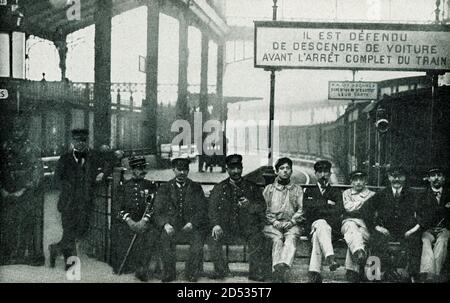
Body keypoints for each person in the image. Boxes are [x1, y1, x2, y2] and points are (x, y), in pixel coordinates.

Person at [49, 129, 112, 270]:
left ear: (86, 141)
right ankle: (70, 264)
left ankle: (55, 248)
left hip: (85, 202)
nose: (80, 144)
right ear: (72, 141)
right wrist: (67, 186)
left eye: (83, 140)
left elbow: (111, 161)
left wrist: (103, 173)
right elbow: (55, 180)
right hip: (68, 202)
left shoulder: (93, 156)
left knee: (81, 231)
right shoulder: (64, 159)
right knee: (69, 231)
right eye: (77, 140)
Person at [208, 154, 271, 281]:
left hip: (247, 227)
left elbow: (262, 206)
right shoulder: (220, 188)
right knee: (213, 238)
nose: (235, 172)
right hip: (226, 227)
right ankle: (221, 270)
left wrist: (249, 205)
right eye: (232, 168)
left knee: (258, 237)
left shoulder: (251, 187)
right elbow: (212, 209)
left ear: (242, 169)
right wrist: (216, 224)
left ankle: (255, 272)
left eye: (238, 168)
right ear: (227, 169)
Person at [153, 157, 208, 282]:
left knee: (198, 240)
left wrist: (192, 223)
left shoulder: (195, 187)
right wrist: (165, 224)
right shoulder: (164, 188)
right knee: (164, 240)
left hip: (190, 227)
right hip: (171, 227)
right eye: (179, 170)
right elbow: (158, 210)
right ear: (173, 170)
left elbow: (202, 209)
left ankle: (191, 272)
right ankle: (169, 272)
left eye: (185, 170)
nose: (182, 173)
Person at [0, 114, 45, 266]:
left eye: (19, 130)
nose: (16, 133)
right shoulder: (4, 148)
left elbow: (37, 172)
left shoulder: (32, 148)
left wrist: (25, 188)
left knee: (27, 224)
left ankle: (27, 255)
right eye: (14, 130)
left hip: (26, 193)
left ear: (24, 130)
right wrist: (2, 189)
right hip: (7, 192)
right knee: (7, 224)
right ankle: (8, 255)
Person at [365, 166, 422, 282]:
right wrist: (377, 227)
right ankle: (374, 275)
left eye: (400, 176)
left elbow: (424, 214)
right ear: (389, 177)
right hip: (385, 231)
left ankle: (412, 275)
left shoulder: (412, 195)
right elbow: (365, 210)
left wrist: (413, 229)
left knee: (416, 241)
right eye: (393, 176)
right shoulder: (382, 194)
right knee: (375, 240)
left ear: (404, 178)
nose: (396, 179)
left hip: (406, 231)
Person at [114, 156, 159, 281]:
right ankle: (128, 266)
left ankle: (143, 268)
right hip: (128, 222)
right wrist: (129, 221)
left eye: (142, 168)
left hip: (145, 222)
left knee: (150, 235)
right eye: (138, 168)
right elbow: (118, 208)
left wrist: (145, 220)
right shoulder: (124, 186)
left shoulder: (151, 186)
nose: (141, 171)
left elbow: (153, 206)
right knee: (122, 234)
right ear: (132, 170)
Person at [263, 157, 304, 282]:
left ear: (291, 171)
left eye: (288, 168)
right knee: (277, 239)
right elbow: (264, 209)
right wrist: (274, 221)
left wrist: (292, 221)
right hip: (272, 224)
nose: (285, 171)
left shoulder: (297, 189)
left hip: (291, 224)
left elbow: (301, 209)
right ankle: (277, 271)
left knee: (291, 238)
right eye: (281, 168)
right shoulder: (269, 189)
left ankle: (281, 267)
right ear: (276, 172)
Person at [304, 160, 343, 283]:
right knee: (320, 224)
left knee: (318, 234)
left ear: (330, 174)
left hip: (330, 229)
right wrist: (326, 203)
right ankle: (331, 258)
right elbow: (307, 209)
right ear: (315, 174)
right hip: (313, 225)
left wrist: (317, 208)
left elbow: (338, 211)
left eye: (326, 172)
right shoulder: (309, 190)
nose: (323, 175)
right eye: (320, 172)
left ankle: (314, 273)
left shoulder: (336, 192)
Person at [417, 167, 449, 282]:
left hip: (444, 229)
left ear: (444, 179)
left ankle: (432, 276)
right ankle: (430, 274)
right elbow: (419, 215)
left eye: (439, 175)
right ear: (429, 179)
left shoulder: (448, 194)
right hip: (428, 229)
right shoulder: (422, 195)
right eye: (433, 175)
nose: (436, 178)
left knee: (442, 241)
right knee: (426, 241)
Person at [341, 170, 375, 282]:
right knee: (352, 229)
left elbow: (372, 212)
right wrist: (365, 205)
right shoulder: (346, 193)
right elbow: (347, 207)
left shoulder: (372, 194)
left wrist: (356, 207)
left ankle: (352, 270)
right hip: (349, 222)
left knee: (357, 237)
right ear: (351, 181)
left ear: (365, 181)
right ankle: (369, 269)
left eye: (361, 179)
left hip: (366, 224)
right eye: (355, 179)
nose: (359, 182)